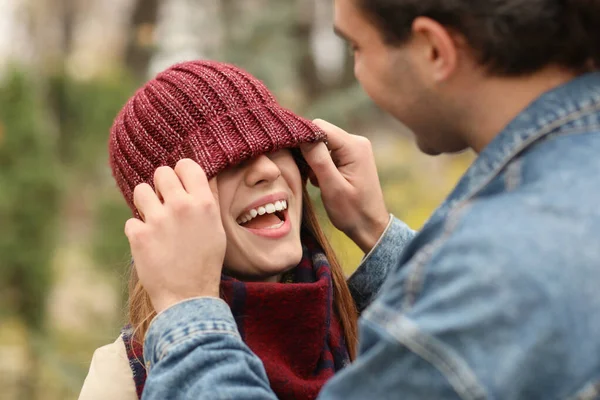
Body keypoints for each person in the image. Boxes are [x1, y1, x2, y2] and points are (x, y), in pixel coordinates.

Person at [125, 0, 600, 399]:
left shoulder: (496, 261)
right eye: (224, 162)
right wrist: (376, 230)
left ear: (434, 49)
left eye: (356, 46)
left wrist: (186, 312)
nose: (268, 168)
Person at [78, 60, 398, 400]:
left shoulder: (373, 330)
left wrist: (374, 228)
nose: (266, 169)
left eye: (275, 145)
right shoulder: (124, 377)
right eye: (225, 160)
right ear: (167, 214)